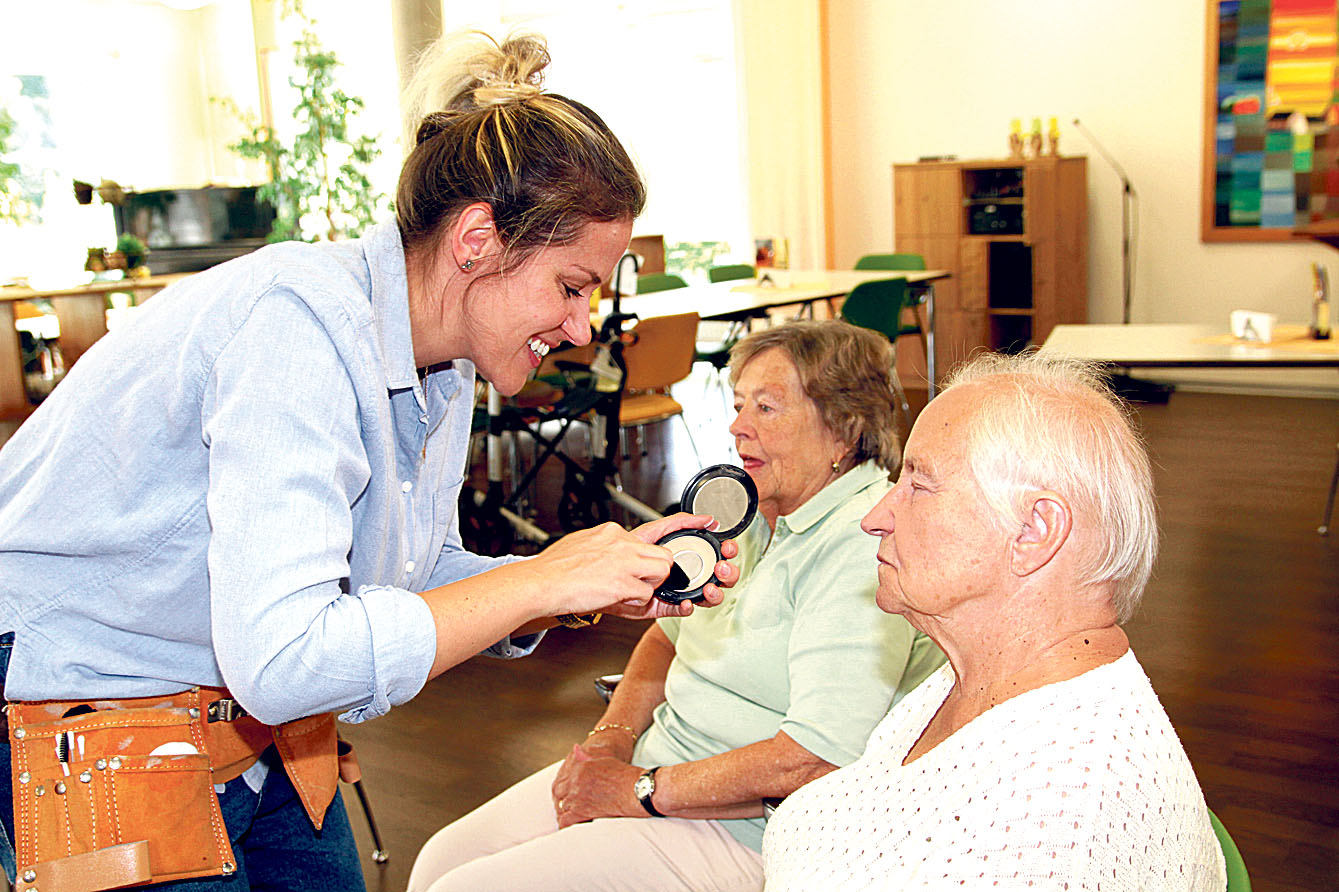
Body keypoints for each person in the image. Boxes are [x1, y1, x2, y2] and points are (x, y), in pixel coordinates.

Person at [0, 31, 735, 892]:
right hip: (95, 705)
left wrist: (574, 579)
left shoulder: (443, 356)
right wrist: (540, 583)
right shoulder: (296, 328)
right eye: (570, 287)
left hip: (246, 712)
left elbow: (408, 571)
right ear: (476, 239)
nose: (580, 327)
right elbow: (285, 658)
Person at [407, 320, 946, 892]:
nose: (738, 427)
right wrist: (612, 738)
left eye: (766, 408)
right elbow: (665, 639)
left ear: (843, 429)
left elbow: (813, 759)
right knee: (441, 860)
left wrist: (638, 790)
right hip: (656, 766)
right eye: (739, 404)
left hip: (745, 826)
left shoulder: (862, 544)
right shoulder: (756, 513)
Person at [762, 351, 1228, 891]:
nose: (874, 518)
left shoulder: (1052, 832)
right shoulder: (977, 676)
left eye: (919, 485)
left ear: (1034, 531)